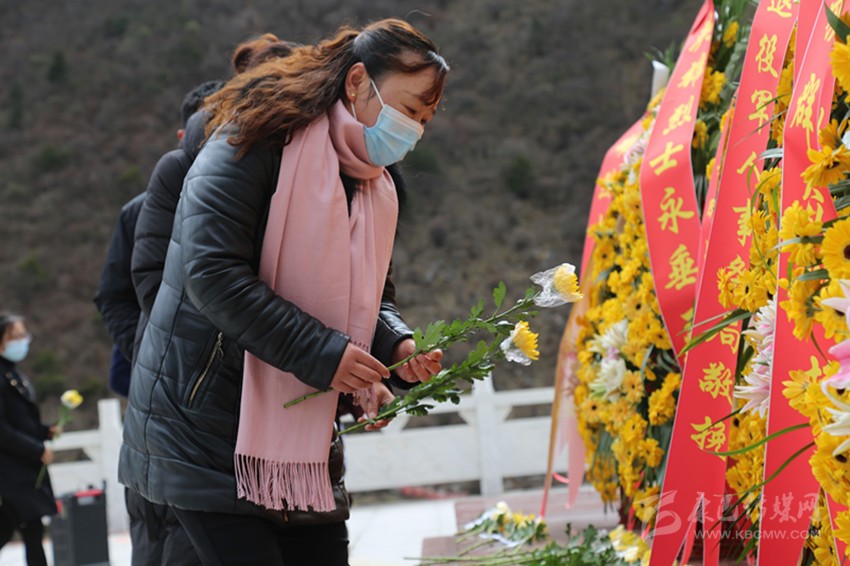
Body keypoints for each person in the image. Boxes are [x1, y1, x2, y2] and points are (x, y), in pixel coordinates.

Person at [119, 18, 449, 565]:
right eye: (409, 109)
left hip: (305, 451)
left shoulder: (373, 183)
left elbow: (371, 295)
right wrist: (326, 355)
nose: (414, 129)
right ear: (358, 82)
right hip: (206, 430)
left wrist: (395, 345)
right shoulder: (253, 141)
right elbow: (211, 273)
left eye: (425, 120)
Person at [93, 79, 224, 566]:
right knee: (157, 527)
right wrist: (150, 348)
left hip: (220, 403)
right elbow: (113, 296)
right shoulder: (139, 211)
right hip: (155, 400)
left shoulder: (257, 200)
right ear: (183, 136)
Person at [0, 313, 56, 566]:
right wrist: (36, 449)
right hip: (10, 470)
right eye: (15, 336)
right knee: (24, 527)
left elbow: (20, 420)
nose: (21, 341)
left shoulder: (13, 372)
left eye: (24, 335)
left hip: (23, 468)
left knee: (30, 529)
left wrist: (44, 432)